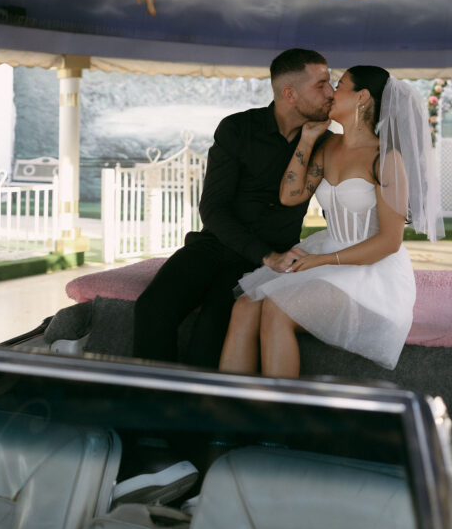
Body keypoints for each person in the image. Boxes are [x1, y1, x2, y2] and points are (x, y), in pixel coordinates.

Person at [218, 66, 443, 378]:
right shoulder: (328, 147)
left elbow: (390, 242)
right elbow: (290, 195)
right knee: (244, 307)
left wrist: (320, 260)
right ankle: (226, 415)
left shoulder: (386, 158)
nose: (330, 93)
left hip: (370, 272)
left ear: (362, 97)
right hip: (326, 255)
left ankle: (279, 420)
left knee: (277, 308)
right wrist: (307, 140)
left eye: (339, 85)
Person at [132, 48, 335, 368]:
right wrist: (266, 255)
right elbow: (212, 207)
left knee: (212, 329)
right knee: (153, 307)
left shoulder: (326, 142)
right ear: (289, 94)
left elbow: (340, 203)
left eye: (331, 84)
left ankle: (198, 414)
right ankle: (146, 411)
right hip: (217, 245)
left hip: (268, 262)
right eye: (321, 85)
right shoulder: (237, 128)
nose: (331, 93)